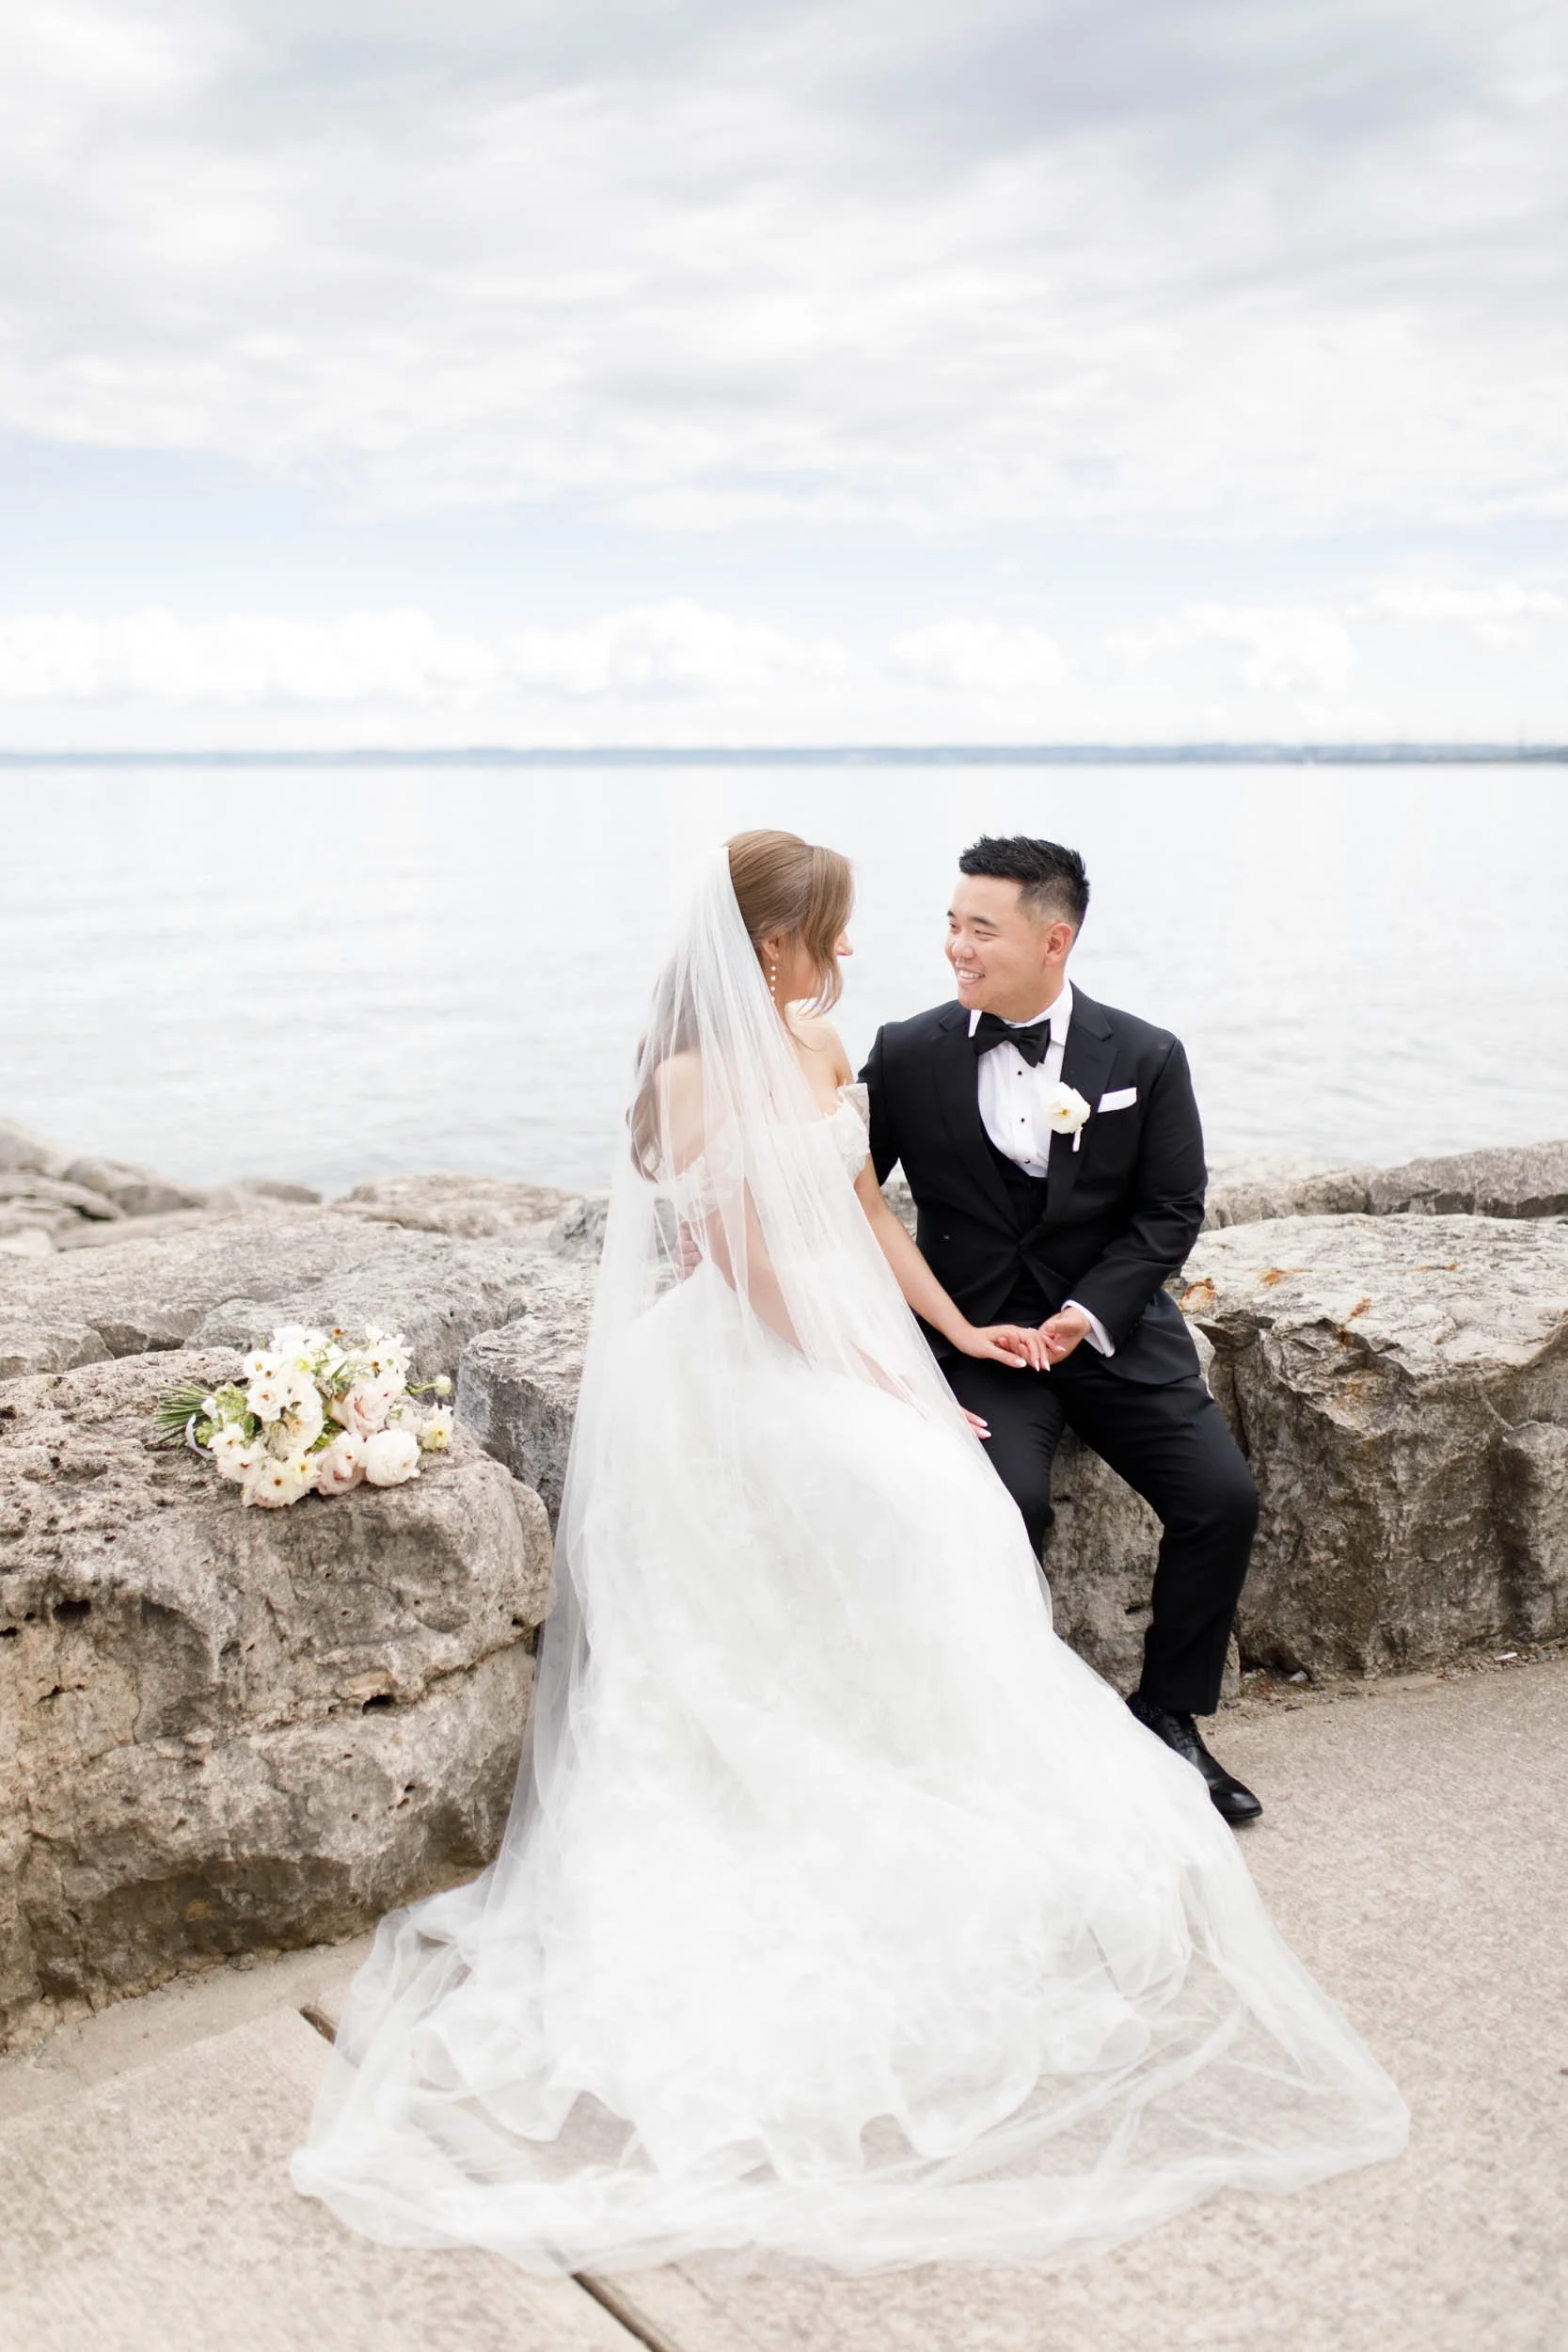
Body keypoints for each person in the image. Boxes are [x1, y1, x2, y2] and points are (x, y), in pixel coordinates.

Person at [293, 829, 1405, 2277]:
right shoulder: (706, 1079)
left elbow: (862, 1210)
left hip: (881, 1335)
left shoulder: (823, 1048)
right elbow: (752, 1261)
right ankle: (859, 1761)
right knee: (936, 1491)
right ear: (770, 944)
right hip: (748, 1363)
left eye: (960, 924)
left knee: (1046, 1489)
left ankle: (1092, 1731)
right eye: (841, 926)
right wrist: (889, 1385)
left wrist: (943, 1334)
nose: (877, 948)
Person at [862, 833, 1262, 1823]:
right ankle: (998, 1726)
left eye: (979, 929)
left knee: (1220, 1499)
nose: (955, 946)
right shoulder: (905, 1050)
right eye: (950, 924)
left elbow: (1169, 1209)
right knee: (1004, 1503)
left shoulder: (1143, 1054)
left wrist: (1088, 1314)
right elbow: (847, 1198)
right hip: (979, 1340)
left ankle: (1166, 1712)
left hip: (1111, 1330)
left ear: (1054, 939)